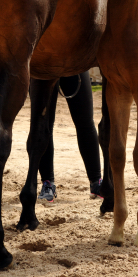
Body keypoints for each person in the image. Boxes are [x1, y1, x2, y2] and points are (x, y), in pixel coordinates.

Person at [38, 72, 102, 202]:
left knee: (86, 123)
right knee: (44, 124)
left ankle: (96, 182)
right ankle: (47, 183)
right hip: (44, 65)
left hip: (75, 63)